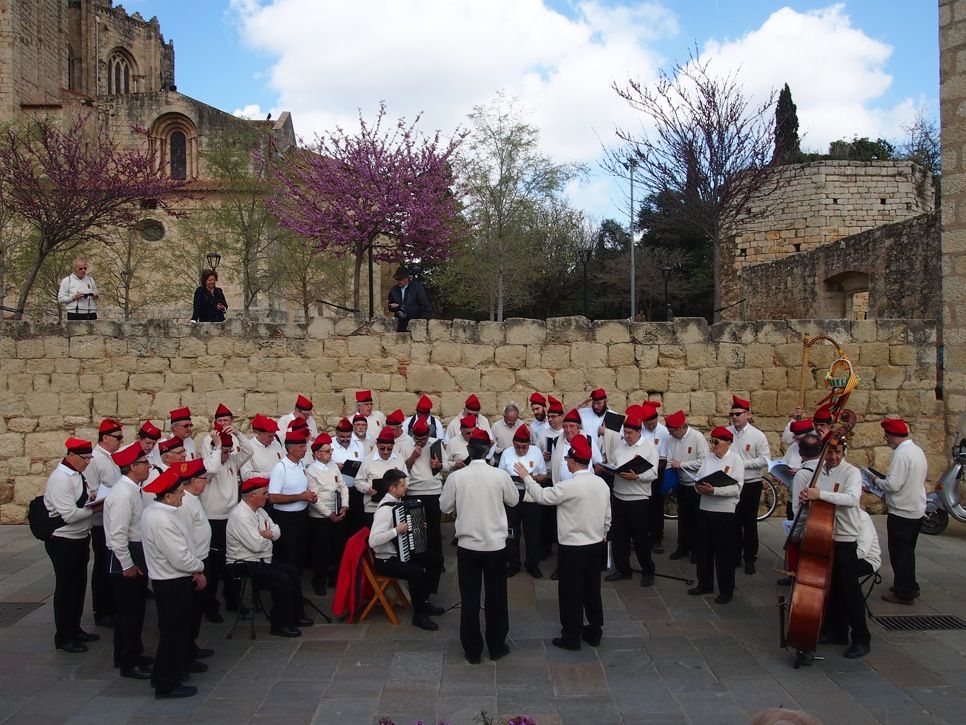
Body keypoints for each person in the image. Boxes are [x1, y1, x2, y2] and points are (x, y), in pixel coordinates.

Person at [516, 435, 611, 651]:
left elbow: (542, 496)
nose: (566, 462)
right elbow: (607, 513)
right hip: (595, 544)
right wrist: (604, 531)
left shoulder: (569, 487)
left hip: (573, 547)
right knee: (592, 589)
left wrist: (526, 478)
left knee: (571, 592)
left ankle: (571, 636)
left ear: (573, 462)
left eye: (568, 459)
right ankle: (595, 631)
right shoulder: (601, 484)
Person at [441, 428, 519, 662]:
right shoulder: (499, 476)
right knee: (496, 598)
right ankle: (496, 646)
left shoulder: (457, 477)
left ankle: (473, 650)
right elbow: (514, 500)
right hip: (495, 545)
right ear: (487, 451)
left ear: (468, 450)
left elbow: (444, 507)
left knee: (470, 598)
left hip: (469, 546)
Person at [799, 436, 871, 659]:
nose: (833, 456)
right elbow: (817, 499)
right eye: (829, 452)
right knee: (830, 588)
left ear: (844, 451)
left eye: (837, 452)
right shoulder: (820, 472)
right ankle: (836, 630)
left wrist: (819, 494)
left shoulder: (851, 472)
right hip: (824, 534)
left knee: (850, 591)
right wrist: (807, 499)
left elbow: (851, 498)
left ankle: (861, 637)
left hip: (845, 537)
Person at [140, 468, 206, 699]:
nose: (183, 496)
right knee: (173, 635)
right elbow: (179, 556)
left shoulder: (161, 513)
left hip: (171, 579)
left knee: (173, 632)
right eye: (180, 492)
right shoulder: (162, 519)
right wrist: (199, 567)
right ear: (168, 496)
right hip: (172, 582)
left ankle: (163, 676)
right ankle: (167, 683)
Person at [226, 477, 310, 637]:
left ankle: (296, 616)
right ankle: (280, 625)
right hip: (243, 563)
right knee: (281, 579)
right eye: (264, 493)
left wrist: (267, 535)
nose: (267, 496)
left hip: (262, 559)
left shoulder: (259, 510)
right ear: (252, 495)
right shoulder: (241, 516)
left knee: (292, 571)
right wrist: (269, 538)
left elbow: (276, 530)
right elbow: (256, 546)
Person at [43, 438, 100, 653]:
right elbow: (69, 515)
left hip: (79, 538)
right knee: (66, 589)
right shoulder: (61, 479)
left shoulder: (77, 475)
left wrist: (93, 498)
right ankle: (64, 636)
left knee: (78, 587)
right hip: (63, 541)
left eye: (89, 458)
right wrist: (95, 509)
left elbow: (80, 501)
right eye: (85, 458)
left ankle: (75, 628)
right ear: (71, 456)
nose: (88, 462)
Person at [368, 469, 445, 631]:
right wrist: (397, 530)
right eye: (403, 485)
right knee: (416, 572)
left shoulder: (397, 503)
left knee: (436, 559)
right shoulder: (385, 510)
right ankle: (419, 614)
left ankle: (424, 600)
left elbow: (403, 524)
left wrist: (415, 525)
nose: (406, 487)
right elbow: (373, 540)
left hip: (400, 553)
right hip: (386, 560)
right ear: (392, 489)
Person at [102, 442, 152, 679]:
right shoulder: (123, 493)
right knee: (129, 611)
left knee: (135, 609)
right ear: (133, 466)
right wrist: (127, 564)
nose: (149, 467)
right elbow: (117, 534)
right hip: (126, 555)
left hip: (135, 551)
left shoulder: (132, 489)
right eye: (144, 463)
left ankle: (131, 651)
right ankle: (127, 661)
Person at [199, 426, 253, 621]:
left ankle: (233, 599)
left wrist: (237, 434)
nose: (227, 455)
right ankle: (210, 606)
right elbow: (212, 468)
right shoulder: (206, 465)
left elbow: (249, 451)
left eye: (229, 451)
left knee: (233, 561)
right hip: (212, 520)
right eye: (224, 451)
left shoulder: (232, 461)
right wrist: (217, 446)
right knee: (212, 567)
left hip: (231, 519)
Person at [688, 427, 745, 604]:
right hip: (705, 508)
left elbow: (737, 488)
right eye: (711, 442)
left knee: (724, 553)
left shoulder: (736, 460)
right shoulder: (708, 459)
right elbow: (697, 477)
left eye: (716, 442)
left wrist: (715, 490)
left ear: (728, 443)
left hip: (724, 512)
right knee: (703, 549)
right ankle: (704, 583)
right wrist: (698, 487)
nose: (713, 446)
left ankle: (726, 589)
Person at [876, 417, 928, 605]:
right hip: (915, 508)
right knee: (907, 551)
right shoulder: (917, 450)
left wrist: (876, 481)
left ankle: (904, 592)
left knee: (900, 553)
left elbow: (893, 485)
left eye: (887, 436)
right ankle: (907, 584)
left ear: (892, 435)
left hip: (902, 511)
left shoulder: (901, 454)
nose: (886, 440)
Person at [605, 413, 660, 587]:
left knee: (640, 537)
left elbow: (653, 473)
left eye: (630, 433)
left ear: (639, 432)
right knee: (619, 537)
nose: (627, 436)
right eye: (625, 432)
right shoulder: (621, 445)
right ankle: (623, 569)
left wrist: (636, 477)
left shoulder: (649, 447)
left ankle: (648, 570)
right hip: (619, 496)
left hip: (638, 498)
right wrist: (610, 469)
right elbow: (614, 463)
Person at [267, 426, 314, 624]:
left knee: (299, 564)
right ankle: (288, 610)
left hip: (301, 517)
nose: (305, 449)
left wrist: (308, 497)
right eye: (302, 446)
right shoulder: (281, 467)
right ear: (291, 448)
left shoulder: (300, 464)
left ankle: (297, 606)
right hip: (286, 522)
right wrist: (299, 496)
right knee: (289, 565)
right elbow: (273, 497)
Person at [172, 459, 215, 671]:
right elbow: (185, 538)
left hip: (200, 558)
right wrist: (196, 569)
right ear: (194, 480)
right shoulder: (185, 503)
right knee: (189, 611)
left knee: (196, 609)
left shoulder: (192, 498)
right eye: (204, 479)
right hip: (193, 562)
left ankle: (192, 645)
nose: (206, 482)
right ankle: (186, 653)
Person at [727, 395, 770, 575]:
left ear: (747, 415)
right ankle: (734, 555)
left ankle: (750, 558)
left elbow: (764, 459)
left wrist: (742, 464)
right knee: (733, 521)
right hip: (731, 482)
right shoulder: (726, 432)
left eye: (738, 414)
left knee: (749, 522)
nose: (735, 417)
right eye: (733, 414)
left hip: (751, 483)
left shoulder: (757, 435)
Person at [498, 423, 548, 578]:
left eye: (524, 447)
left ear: (529, 445)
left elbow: (543, 476)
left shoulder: (536, 452)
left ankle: (532, 564)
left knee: (532, 532)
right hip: (512, 494)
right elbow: (500, 476)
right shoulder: (506, 453)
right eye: (517, 446)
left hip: (530, 495)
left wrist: (529, 477)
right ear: (513, 443)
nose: (520, 450)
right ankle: (513, 563)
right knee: (511, 531)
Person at [88, 418, 124, 628]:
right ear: (105, 437)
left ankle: (112, 605)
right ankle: (102, 610)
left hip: (113, 518)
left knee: (111, 565)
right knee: (103, 567)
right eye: (117, 438)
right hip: (101, 522)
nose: (120, 441)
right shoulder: (94, 459)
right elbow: (92, 493)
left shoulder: (110, 457)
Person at [306, 433, 350, 596]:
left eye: (331, 451)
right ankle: (319, 581)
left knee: (338, 548)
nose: (330, 454)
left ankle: (334, 577)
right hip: (321, 517)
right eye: (326, 451)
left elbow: (343, 486)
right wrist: (329, 514)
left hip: (338, 510)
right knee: (321, 551)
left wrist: (344, 506)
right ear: (317, 454)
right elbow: (314, 498)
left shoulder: (332, 466)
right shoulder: (311, 471)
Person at [665, 410, 709, 562]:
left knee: (696, 518)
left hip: (696, 485)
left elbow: (704, 460)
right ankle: (682, 547)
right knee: (683, 518)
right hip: (682, 484)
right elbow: (670, 459)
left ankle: (696, 549)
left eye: (672, 431)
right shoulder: (672, 439)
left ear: (680, 428)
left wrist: (683, 464)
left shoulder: (697, 437)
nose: (670, 434)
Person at [403, 419, 445, 556]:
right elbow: (403, 470)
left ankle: (436, 558)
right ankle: (418, 558)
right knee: (415, 527)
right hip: (414, 490)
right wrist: (413, 457)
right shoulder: (406, 445)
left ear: (428, 434)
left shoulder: (436, 443)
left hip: (434, 490)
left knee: (434, 528)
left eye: (423, 438)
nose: (420, 441)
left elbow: (447, 465)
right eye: (417, 438)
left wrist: (439, 466)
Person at [355, 428, 406, 528]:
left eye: (389, 448)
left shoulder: (399, 459)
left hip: (394, 506)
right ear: (377, 445)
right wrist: (367, 489)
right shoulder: (368, 460)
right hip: (373, 507)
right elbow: (358, 481)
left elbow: (406, 479)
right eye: (382, 448)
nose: (386, 452)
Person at [640, 402, 670, 554]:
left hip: (657, 472)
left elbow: (664, 457)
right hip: (639, 472)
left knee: (656, 505)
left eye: (653, 423)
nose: (651, 427)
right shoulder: (640, 430)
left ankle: (657, 537)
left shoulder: (663, 432)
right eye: (648, 424)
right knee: (642, 506)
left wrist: (653, 470)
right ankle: (641, 535)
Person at [387, 265, 430, 332]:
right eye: (397, 279)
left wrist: (423, 321)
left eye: (400, 279)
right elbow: (390, 305)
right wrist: (392, 306)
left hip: (415, 322)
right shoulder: (394, 290)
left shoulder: (417, 288)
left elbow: (424, 305)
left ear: (406, 278)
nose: (398, 281)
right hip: (400, 323)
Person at [241, 413, 284, 480]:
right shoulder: (248, 448)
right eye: (270, 436)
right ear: (259, 433)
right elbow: (246, 475)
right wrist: (270, 475)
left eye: (274, 436)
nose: (272, 439)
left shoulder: (276, 444)